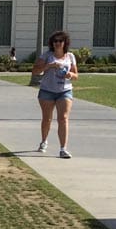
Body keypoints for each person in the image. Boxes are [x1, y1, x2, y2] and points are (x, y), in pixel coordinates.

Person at [33, 30, 78, 158]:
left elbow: (76, 75)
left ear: (65, 43)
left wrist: (70, 74)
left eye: (60, 41)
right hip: (47, 90)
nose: (57, 43)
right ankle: (43, 141)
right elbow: (35, 71)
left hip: (65, 91)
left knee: (63, 118)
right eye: (55, 41)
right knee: (47, 119)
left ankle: (63, 149)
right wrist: (49, 66)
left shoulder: (70, 56)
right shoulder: (46, 55)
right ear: (52, 43)